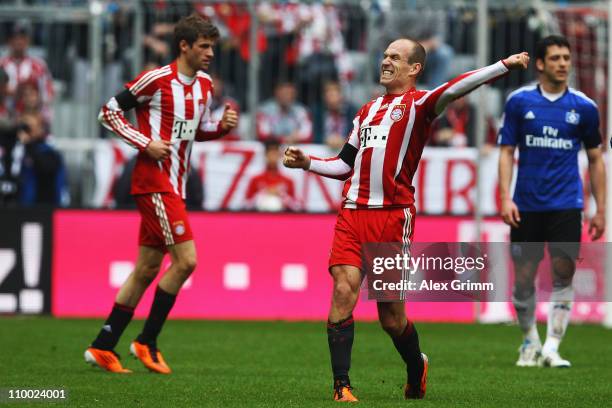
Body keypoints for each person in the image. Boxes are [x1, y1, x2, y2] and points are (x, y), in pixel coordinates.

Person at [283, 37, 529, 401]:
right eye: (384, 55)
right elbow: (343, 165)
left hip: (392, 219)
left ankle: (417, 367)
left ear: (414, 69)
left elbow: (458, 86)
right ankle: (342, 386)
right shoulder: (365, 111)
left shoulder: (420, 105)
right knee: (342, 290)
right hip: (352, 213)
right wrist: (307, 164)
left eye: (395, 57)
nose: (386, 61)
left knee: (392, 319)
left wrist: (503, 65)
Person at [85, 14, 238, 374]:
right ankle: (146, 341)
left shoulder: (203, 84)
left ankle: (103, 346)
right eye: (203, 46)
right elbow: (108, 112)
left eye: (213, 46)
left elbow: (193, 132)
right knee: (186, 261)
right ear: (183, 46)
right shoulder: (156, 79)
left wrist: (220, 129)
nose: (210, 53)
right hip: (153, 181)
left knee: (147, 267)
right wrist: (144, 142)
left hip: (176, 185)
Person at [498, 35, 606, 369]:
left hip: (566, 203)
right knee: (524, 277)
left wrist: (601, 208)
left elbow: (596, 159)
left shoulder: (585, 107)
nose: (563, 64)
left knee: (564, 272)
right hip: (526, 203)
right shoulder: (519, 102)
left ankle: (552, 347)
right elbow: (506, 152)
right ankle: (529, 341)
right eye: (556, 58)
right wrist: (505, 197)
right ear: (541, 64)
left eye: (566, 58)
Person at [0, 21, 54, 122]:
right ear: (8, 41)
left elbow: (48, 94)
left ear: (27, 41)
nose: (18, 42)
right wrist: (10, 92)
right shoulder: (1, 65)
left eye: (22, 38)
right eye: (14, 38)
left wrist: (31, 97)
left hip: (30, 121)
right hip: (3, 120)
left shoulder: (38, 66)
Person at [245, 139, 297, 211]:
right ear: (266, 155)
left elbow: (295, 207)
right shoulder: (256, 179)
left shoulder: (288, 181)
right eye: (271, 153)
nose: (273, 156)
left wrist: (281, 194)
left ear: (280, 155)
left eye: (275, 153)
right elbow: (246, 205)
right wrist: (264, 193)